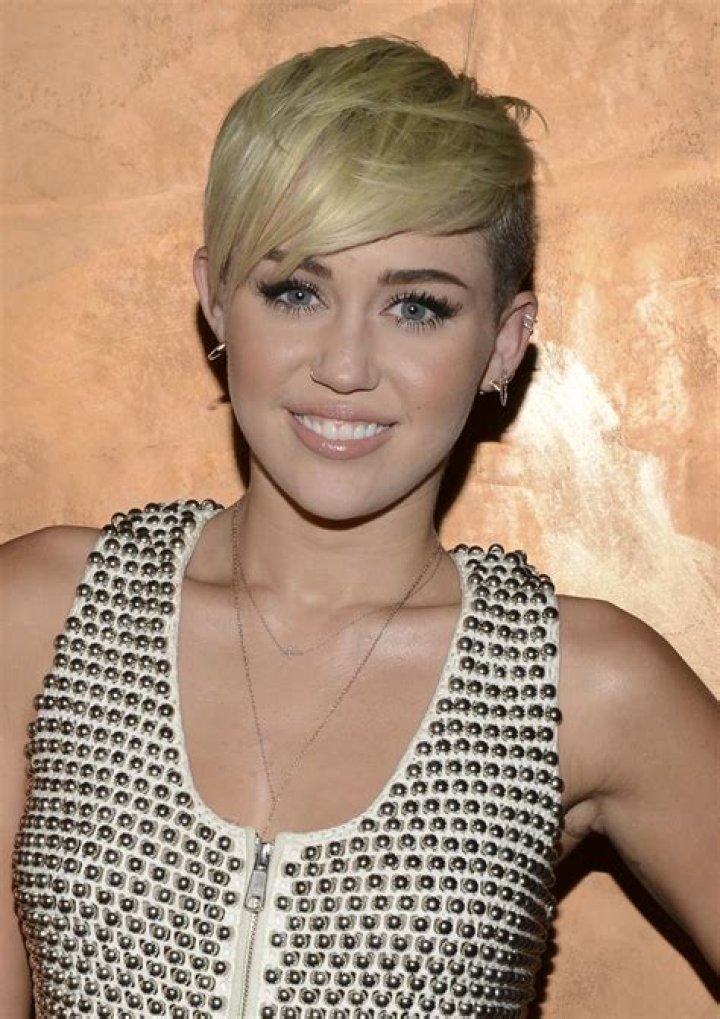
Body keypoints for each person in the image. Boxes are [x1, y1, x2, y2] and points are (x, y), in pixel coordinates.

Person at [1, 36, 717, 1019]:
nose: (344, 365)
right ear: (215, 298)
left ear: (504, 343)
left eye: (416, 307)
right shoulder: (37, 616)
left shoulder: (584, 684)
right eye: (296, 291)